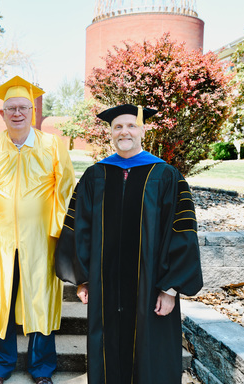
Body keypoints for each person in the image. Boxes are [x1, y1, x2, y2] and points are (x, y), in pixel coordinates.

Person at [55, 104, 204, 384]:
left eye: (131, 125)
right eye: (118, 127)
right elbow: (79, 228)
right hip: (105, 286)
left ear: (143, 130)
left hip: (151, 288)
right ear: (111, 133)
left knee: (151, 356)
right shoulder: (95, 175)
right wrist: (83, 278)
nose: (125, 131)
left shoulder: (167, 176)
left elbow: (182, 233)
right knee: (108, 352)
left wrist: (170, 288)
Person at [0, 76, 75, 384]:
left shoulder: (52, 146)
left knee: (41, 301)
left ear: (32, 112)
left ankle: (41, 370)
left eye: (23, 107)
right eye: (10, 108)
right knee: (0, 303)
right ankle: (0, 367)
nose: (17, 113)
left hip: (41, 240)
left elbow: (65, 191)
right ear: (1, 114)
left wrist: (61, 235)